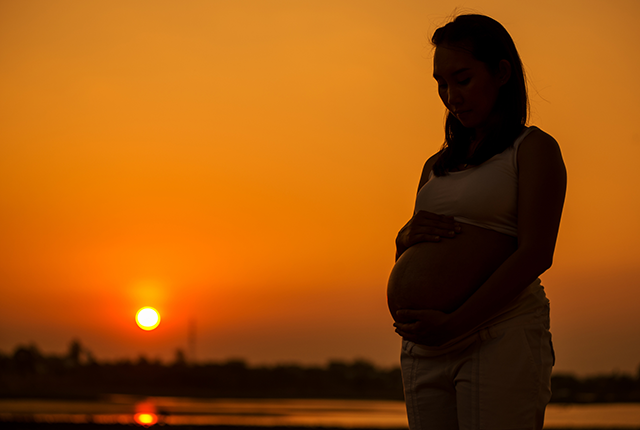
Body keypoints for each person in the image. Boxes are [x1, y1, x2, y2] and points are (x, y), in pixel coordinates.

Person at [386, 14, 566, 430]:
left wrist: (455, 323)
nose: (451, 96)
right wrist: (402, 238)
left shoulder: (532, 149)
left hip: (496, 336)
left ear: (501, 72)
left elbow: (536, 253)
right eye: (441, 84)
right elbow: (420, 250)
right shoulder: (435, 165)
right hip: (424, 349)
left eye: (462, 80)